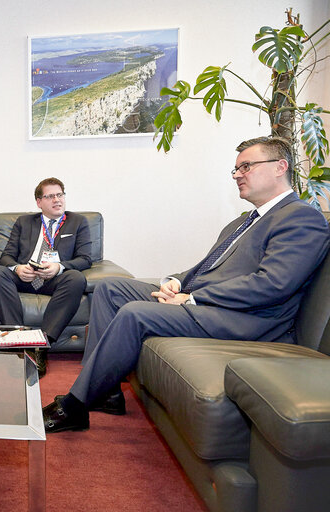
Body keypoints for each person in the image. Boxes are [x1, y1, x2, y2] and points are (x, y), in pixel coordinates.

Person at [43, 136, 330, 433]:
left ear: (280, 167)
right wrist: (176, 282)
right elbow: (207, 267)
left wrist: (194, 298)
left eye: (246, 166)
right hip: (212, 304)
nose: (237, 175)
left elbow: (273, 284)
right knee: (110, 288)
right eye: (235, 169)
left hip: (249, 319)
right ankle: (108, 391)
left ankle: (77, 405)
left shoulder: (301, 218)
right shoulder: (243, 222)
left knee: (135, 313)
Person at [0, 177, 91, 374]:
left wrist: (59, 267)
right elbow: (6, 257)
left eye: (60, 195)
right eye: (50, 196)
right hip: (25, 277)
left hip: (55, 278)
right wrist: (17, 268)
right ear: (39, 202)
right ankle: (19, 338)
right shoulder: (24, 222)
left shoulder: (78, 222)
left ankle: (42, 343)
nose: (57, 200)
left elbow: (85, 259)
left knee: (76, 278)